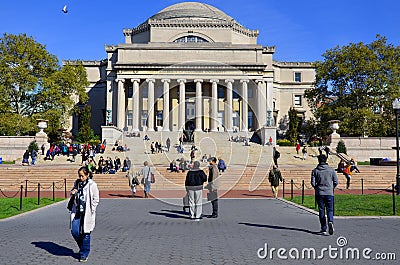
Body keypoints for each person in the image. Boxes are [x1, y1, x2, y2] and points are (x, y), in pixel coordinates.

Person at [68, 167, 100, 262]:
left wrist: (92, 209)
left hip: (87, 212)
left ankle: (84, 254)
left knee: (86, 233)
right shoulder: (77, 183)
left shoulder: (92, 185)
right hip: (77, 211)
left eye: (82, 176)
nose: (80, 177)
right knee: (75, 231)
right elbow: (72, 192)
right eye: (79, 175)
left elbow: (96, 199)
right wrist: (72, 193)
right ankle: (83, 247)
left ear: (87, 175)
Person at [311, 154, 338, 236]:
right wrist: (331, 187)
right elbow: (336, 181)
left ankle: (323, 228)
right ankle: (330, 221)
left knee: (321, 210)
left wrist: (317, 188)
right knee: (330, 210)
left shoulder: (315, 171)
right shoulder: (331, 170)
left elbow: (312, 182)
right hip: (329, 192)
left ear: (318, 160)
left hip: (319, 193)